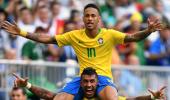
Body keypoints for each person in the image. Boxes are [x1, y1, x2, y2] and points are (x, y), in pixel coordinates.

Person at [1, 3, 165, 100]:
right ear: (83, 18)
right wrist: (22, 32)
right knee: (58, 98)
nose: (90, 18)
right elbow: (48, 39)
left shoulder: (109, 34)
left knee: (111, 98)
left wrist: (148, 31)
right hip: (83, 78)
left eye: (93, 15)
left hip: (102, 79)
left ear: (98, 18)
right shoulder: (74, 35)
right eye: (87, 16)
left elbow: (134, 37)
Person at [12, 67, 166, 100]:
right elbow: (49, 95)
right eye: (85, 82)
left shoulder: (105, 95)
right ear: (81, 83)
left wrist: (152, 98)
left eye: (92, 82)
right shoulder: (75, 95)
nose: (89, 85)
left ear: (97, 83)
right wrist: (27, 86)